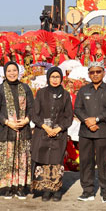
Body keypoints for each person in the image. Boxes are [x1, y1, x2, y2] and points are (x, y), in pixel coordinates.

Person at [73, 61, 106, 202]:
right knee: (86, 162)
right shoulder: (83, 90)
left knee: (104, 162)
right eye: (92, 72)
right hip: (86, 132)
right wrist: (87, 120)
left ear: (103, 73)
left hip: (103, 131)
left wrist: (97, 119)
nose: (95, 74)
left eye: (98, 71)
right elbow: (77, 109)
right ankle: (88, 191)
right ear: (89, 74)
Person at [31, 66, 73, 201]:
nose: (55, 80)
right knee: (43, 160)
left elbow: (69, 117)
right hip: (43, 132)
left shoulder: (65, 95)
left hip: (59, 134)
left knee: (56, 161)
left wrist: (58, 129)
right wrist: (46, 128)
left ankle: (56, 190)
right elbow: (35, 114)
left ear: (61, 78)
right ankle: (45, 190)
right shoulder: (41, 93)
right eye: (52, 77)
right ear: (48, 78)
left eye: (57, 77)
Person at [0, 62, 33, 199]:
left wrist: (26, 120)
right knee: (7, 159)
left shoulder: (25, 88)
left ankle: (20, 187)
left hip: (23, 130)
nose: (12, 73)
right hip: (6, 130)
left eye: (14, 70)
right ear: (5, 72)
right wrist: (7, 122)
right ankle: (8, 187)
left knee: (22, 159)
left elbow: (33, 108)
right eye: (9, 71)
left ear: (18, 71)